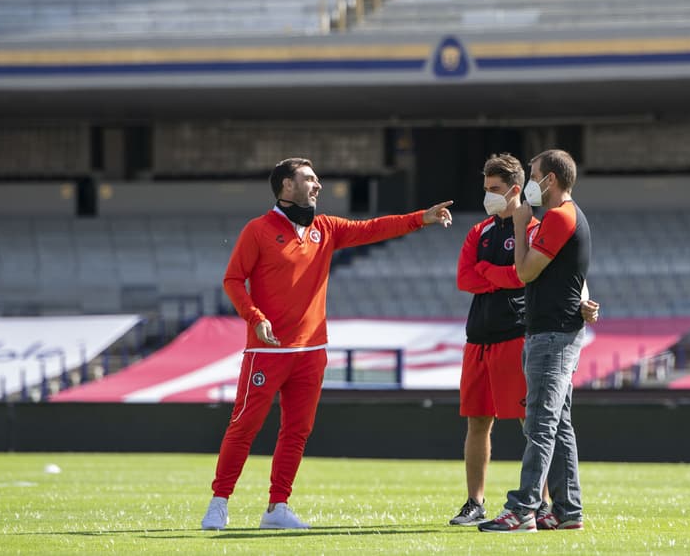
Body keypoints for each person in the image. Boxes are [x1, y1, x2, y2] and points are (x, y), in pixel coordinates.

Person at [200, 157, 453, 532]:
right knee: (244, 426)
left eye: (317, 178)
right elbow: (233, 281)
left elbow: (372, 228)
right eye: (309, 178)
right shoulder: (257, 230)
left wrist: (421, 218)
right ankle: (219, 502)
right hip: (266, 351)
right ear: (286, 186)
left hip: (311, 351)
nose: (317, 185)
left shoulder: (326, 228)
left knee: (297, 430)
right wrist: (256, 318)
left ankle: (277, 507)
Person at [450, 152, 598, 527]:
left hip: (541, 333)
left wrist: (513, 238)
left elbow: (524, 272)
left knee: (539, 423)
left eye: (535, 176)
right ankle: (566, 511)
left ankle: (525, 508)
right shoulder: (488, 230)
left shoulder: (551, 220)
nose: (488, 196)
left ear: (548, 180)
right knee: (554, 423)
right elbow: (467, 278)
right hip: (507, 333)